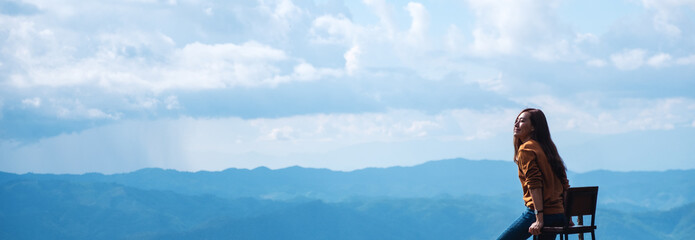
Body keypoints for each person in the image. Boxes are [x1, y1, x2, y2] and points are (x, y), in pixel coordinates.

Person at [497, 108, 571, 240]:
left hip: (540, 213)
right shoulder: (548, 147)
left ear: (533, 127)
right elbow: (564, 183)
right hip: (559, 214)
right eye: (516, 121)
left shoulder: (526, 148)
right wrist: (567, 216)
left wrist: (539, 219)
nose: (516, 124)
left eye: (522, 121)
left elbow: (534, 184)